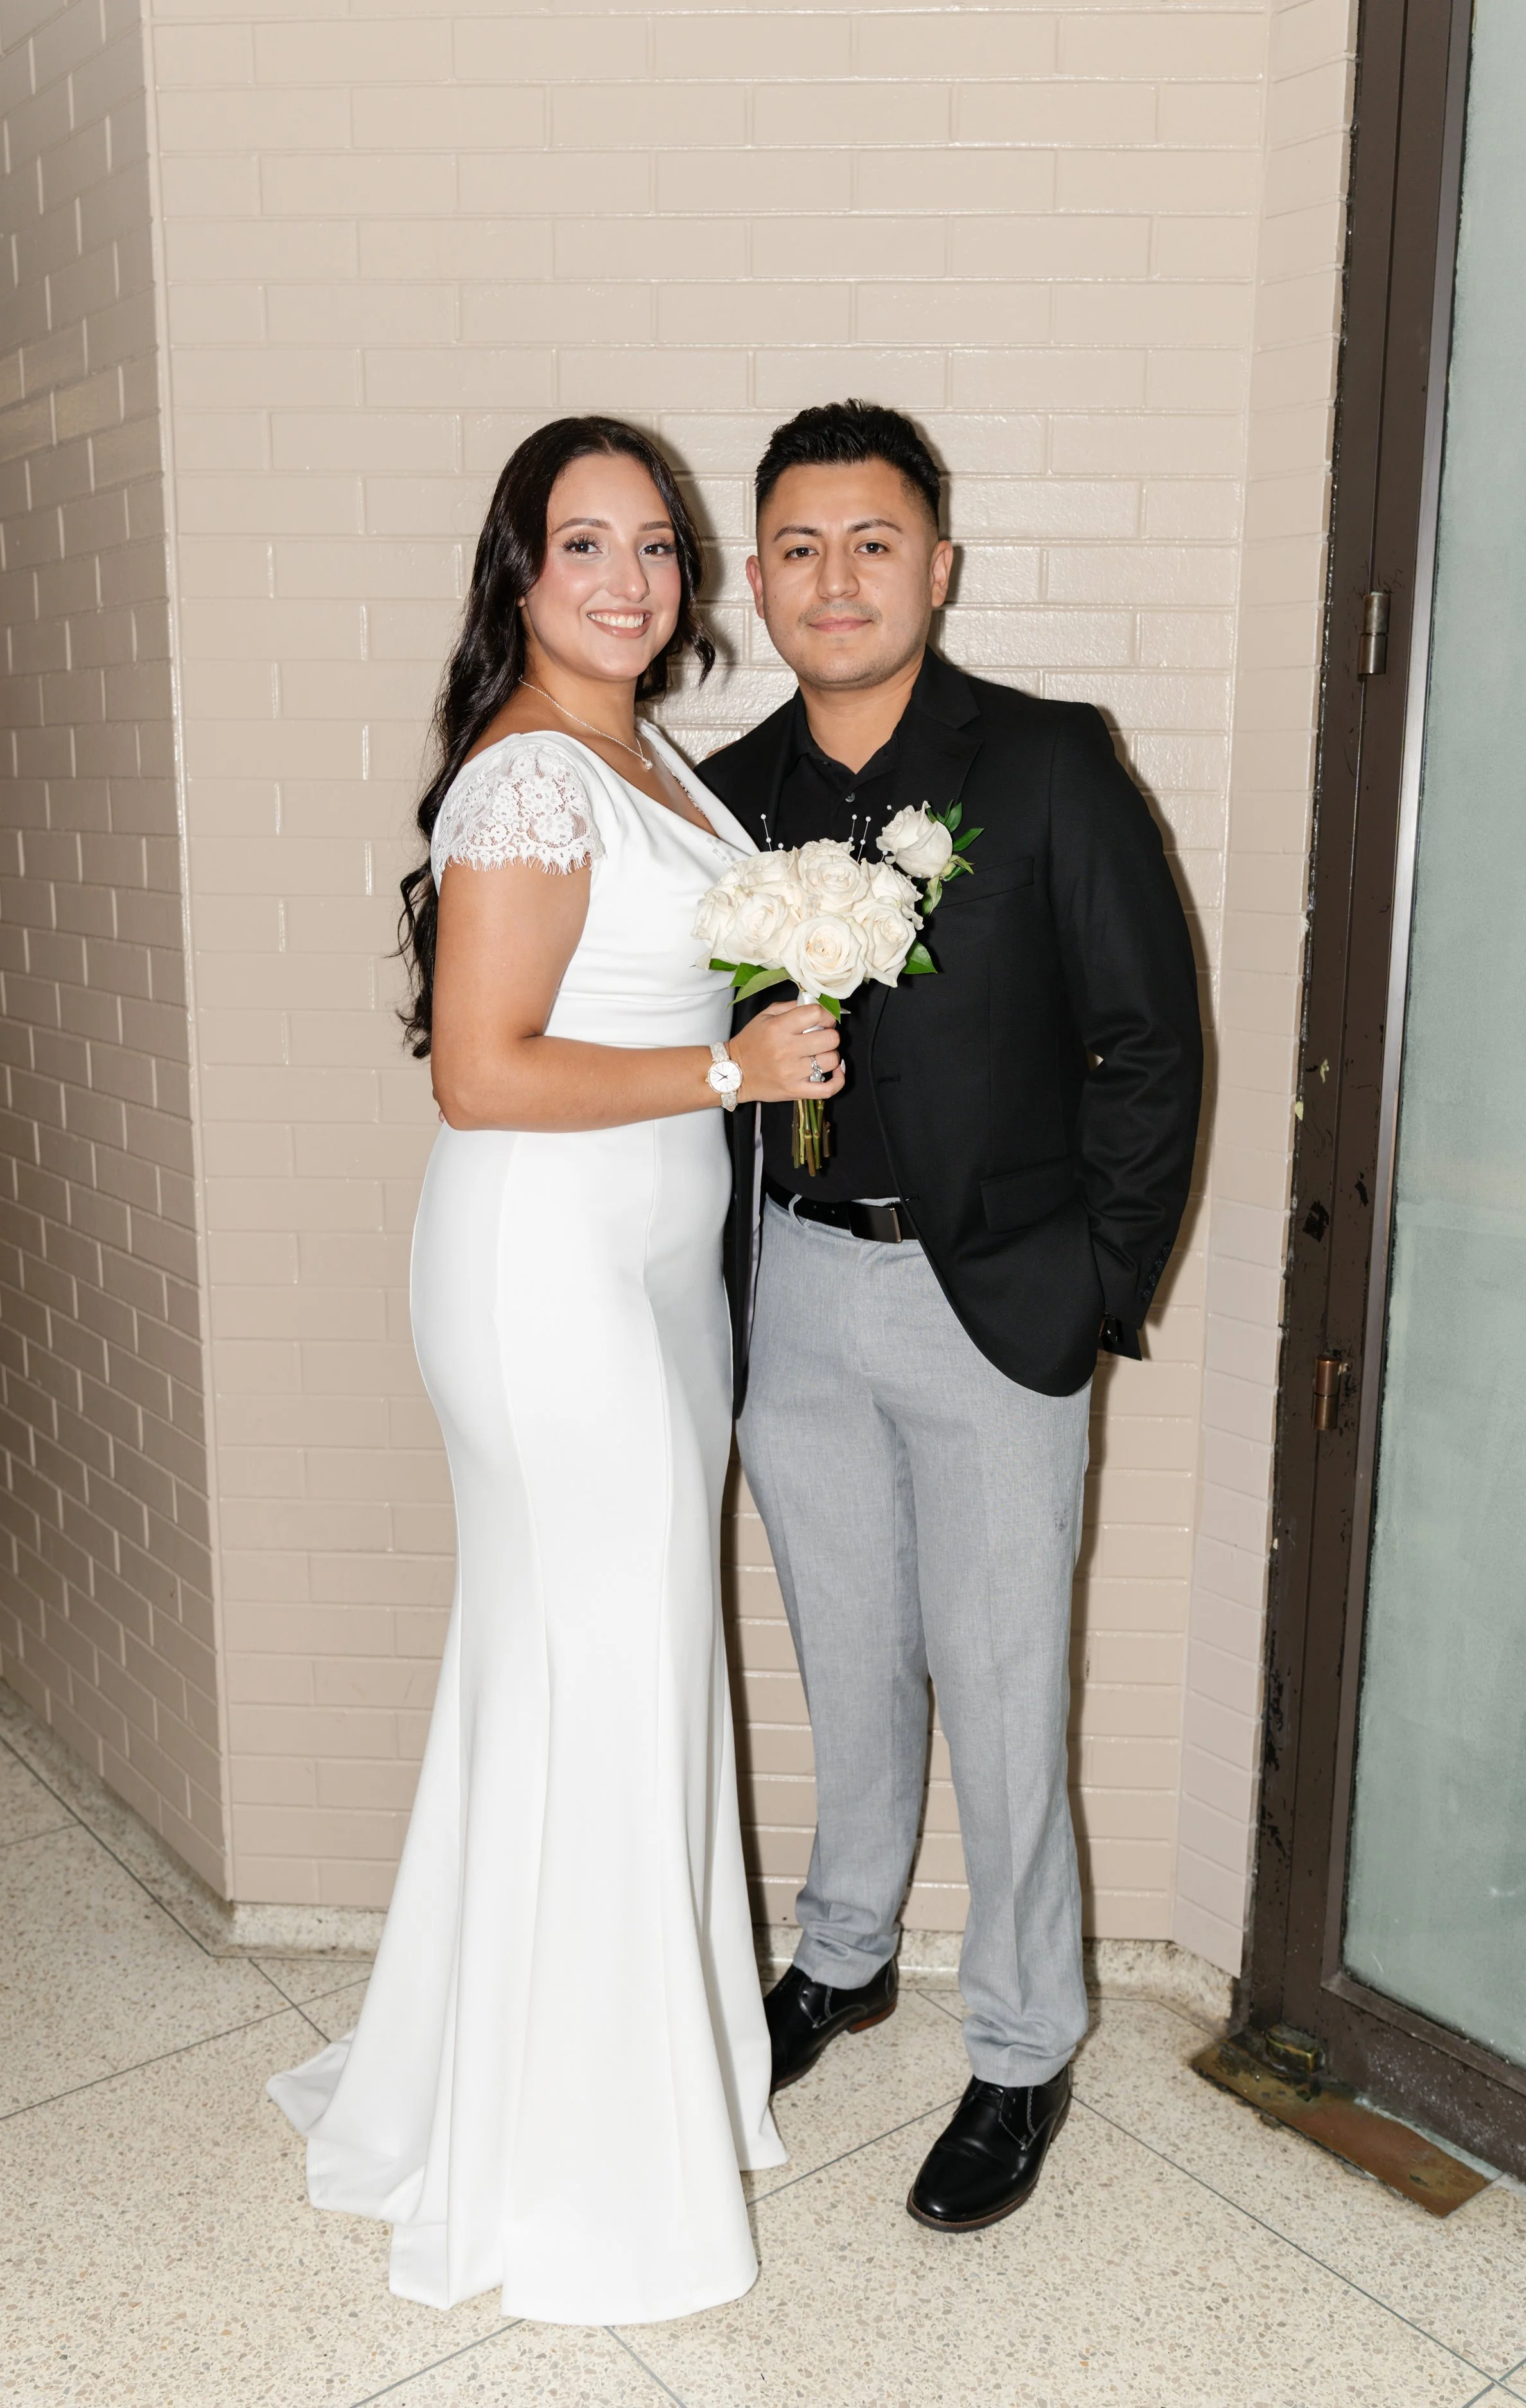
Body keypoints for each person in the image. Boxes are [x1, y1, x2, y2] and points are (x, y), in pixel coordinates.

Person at [267, 418, 844, 2324]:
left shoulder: (640, 749)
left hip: (649, 1272)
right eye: (582, 544)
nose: (627, 577)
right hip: (545, 1277)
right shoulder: (525, 776)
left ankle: (538, 2078)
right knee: (608, 1673)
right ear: (516, 569)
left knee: (603, 1669)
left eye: (655, 545)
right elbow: (480, 1068)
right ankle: (585, 2172)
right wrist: (723, 1070)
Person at [698, 400, 1204, 2234]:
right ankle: (842, 1955)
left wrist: (1092, 1290)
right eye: (801, 547)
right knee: (845, 1657)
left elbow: (1150, 1044)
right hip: (796, 1294)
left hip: (991, 1305)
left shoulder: (1047, 762)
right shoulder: (723, 791)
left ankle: (1021, 2042)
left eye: (874, 540)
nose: (837, 577)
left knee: (999, 1692)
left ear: (938, 562)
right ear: (759, 578)